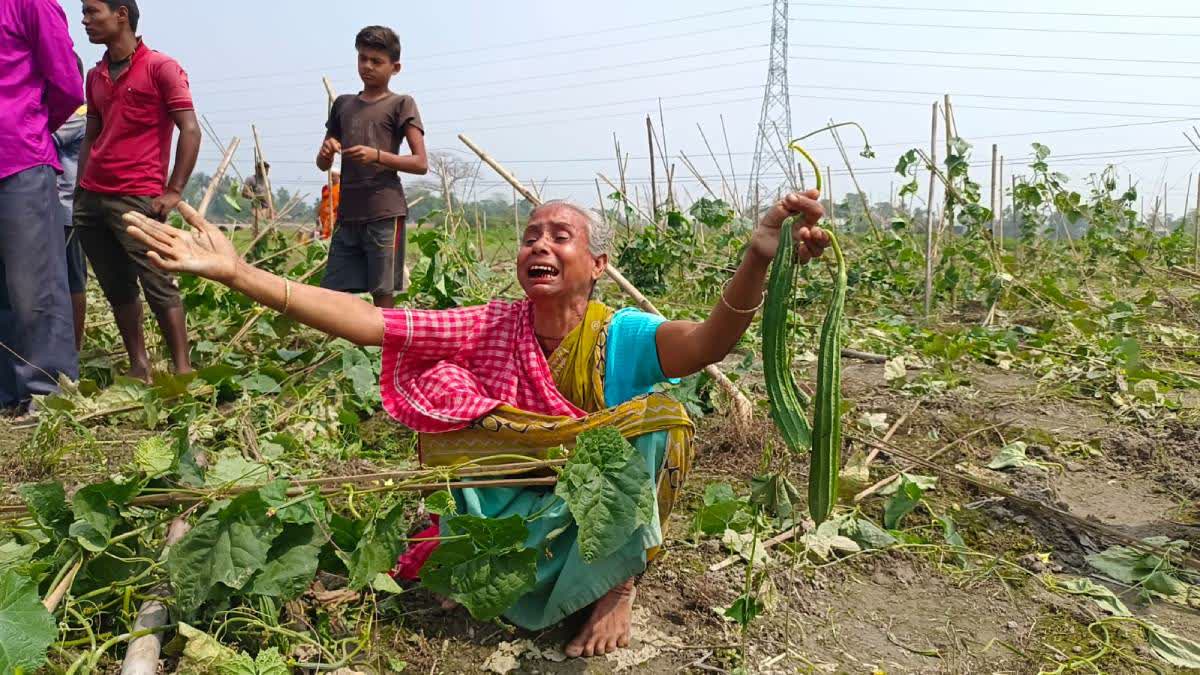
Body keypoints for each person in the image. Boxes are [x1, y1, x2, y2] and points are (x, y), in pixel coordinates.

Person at [122, 190, 828, 657]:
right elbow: (373, 322)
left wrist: (757, 256)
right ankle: (521, 574)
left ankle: (616, 586)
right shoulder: (493, 322)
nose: (539, 245)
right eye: (529, 236)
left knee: (659, 418)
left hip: (601, 509)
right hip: (534, 499)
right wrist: (243, 274)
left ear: (599, 264)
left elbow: (708, 343)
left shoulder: (626, 335)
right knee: (454, 415)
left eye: (561, 235)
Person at [75, 0, 202, 379]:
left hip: (138, 196)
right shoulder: (96, 75)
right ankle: (139, 367)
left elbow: (190, 130)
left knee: (157, 281)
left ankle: (182, 371)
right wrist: (81, 189)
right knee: (117, 287)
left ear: (121, 15)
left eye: (92, 11)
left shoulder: (161, 68)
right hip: (92, 198)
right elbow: (90, 137)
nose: (84, 20)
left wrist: (174, 190)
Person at [0, 0, 85, 419]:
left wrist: (27, 121)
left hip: (20, 155)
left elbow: (68, 84)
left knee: (33, 283)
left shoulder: (31, 3)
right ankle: (7, 391)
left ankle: (45, 390)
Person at [316, 25, 427, 309]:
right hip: (348, 216)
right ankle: (341, 352)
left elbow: (420, 163)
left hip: (384, 212)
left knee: (383, 296)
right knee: (334, 295)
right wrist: (327, 151)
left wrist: (376, 155)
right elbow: (322, 163)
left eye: (376, 61)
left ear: (395, 67)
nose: (367, 66)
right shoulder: (343, 105)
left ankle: (382, 353)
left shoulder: (401, 104)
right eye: (362, 58)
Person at [55, 55, 91, 351]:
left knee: (72, 280)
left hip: (66, 210)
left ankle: (73, 350)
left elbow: (46, 140)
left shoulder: (78, 113)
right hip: (53, 208)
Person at [241, 160, 272, 227]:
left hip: (267, 208)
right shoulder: (251, 179)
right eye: (265, 170)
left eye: (267, 170)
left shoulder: (267, 180)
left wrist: (272, 208)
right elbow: (243, 193)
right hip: (256, 208)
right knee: (257, 228)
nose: (266, 172)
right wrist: (254, 196)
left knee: (269, 228)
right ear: (258, 169)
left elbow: (269, 196)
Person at [317, 170, 341, 240]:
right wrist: (318, 215)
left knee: (329, 233)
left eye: (333, 176)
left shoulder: (341, 188)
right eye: (330, 176)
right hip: (323, 216)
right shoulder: (325, 188)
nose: (331, 178)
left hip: (333, 216)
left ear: (338, 177)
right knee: (321, 232)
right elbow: (322, 201)